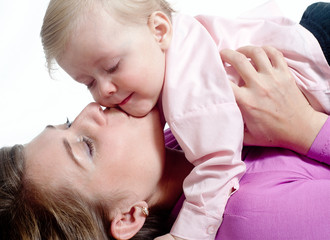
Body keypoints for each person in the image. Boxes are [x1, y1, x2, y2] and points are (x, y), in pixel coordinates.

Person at [40, 1, 330, 239]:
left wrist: (187, 234)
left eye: (67, 122)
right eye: (88, 82)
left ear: (160, 30)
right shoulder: (251, 217)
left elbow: (219, 166)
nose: (96, 101)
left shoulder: (182, 107)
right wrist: (305, 128)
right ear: (128, 216)